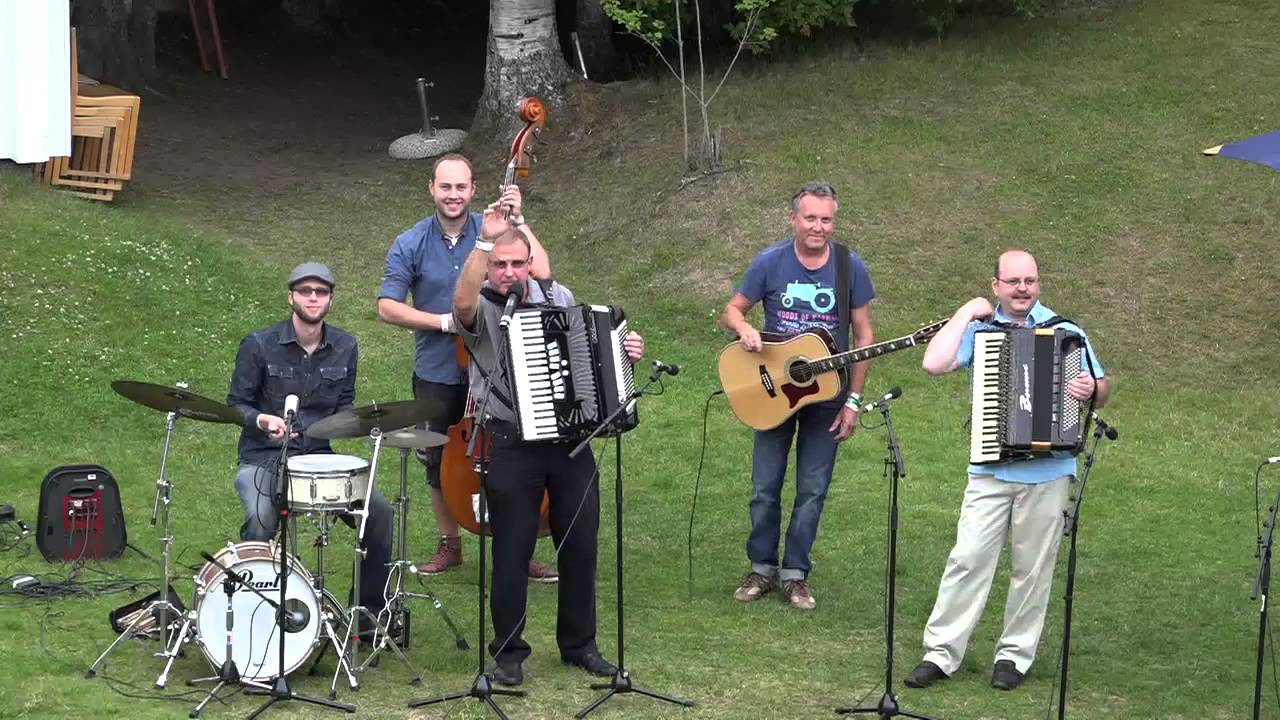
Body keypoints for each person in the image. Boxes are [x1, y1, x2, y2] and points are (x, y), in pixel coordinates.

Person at [450, 204, 645, 687]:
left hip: (570, 445)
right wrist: (484, 242)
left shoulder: (558, 295)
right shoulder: (483, 307)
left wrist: (625, 347)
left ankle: (580, 645)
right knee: (511, 550)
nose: (510, 273)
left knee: (579, 545)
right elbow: (462, 304)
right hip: (512, 444)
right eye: (501, 265)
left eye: (518, 263)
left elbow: (591, 347)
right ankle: (509, 654)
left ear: (530, 263)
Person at [904, 249, 1111, 692]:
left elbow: (1102, 385)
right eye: (1013, 281)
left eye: (1030, 281)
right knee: (968, 559)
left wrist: (1092, 387)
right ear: (996, 285)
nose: (1023, 289)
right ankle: (941, 654)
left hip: (1050, 472)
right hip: (990, 471)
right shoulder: (981, 330)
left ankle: (1013, 657)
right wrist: (964, 312)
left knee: (1032, 569)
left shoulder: (1066, 331)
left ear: (1038, 284)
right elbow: (933, 364)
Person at [377, 153, 559, 583]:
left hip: (498, 364)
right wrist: (443, 322)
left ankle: (519, 546)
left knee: (512, 455)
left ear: (474, 189)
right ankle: (449, 543)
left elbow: (545, 272)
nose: (453, 195)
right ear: (432, 189)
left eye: (461, 187)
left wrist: (520, 217)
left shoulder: (495, 229)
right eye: (445, 187)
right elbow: (386, 306)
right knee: (437, 457)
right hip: (439, 367)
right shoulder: (411, 242)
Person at [720, 181, 876, 610]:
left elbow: (864, 335)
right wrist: (745, 328)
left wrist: (854, 401)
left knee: (813, 489)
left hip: (827, 393)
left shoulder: (850, 266)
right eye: (811, 218)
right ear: (794, 219)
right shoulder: (770, 262)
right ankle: (761, 568)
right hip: (773, 389)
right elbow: (732, 309)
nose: (819, 227)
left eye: (827, 219)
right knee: (764, 487)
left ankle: (795, 574)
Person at [227, 262, 394, 623]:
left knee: (378, 512)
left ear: (330, 299)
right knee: (260, 519)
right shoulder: (258, 344)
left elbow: (345, 404)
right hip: (263, 457)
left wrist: (353, 424)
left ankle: (367, 614)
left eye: (320, 292)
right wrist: (262, 420)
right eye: (305, 291)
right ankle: (251, 610)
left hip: (318, 460)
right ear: (291, 297)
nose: (313, 298)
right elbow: (236, 403)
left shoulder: (346, 346)